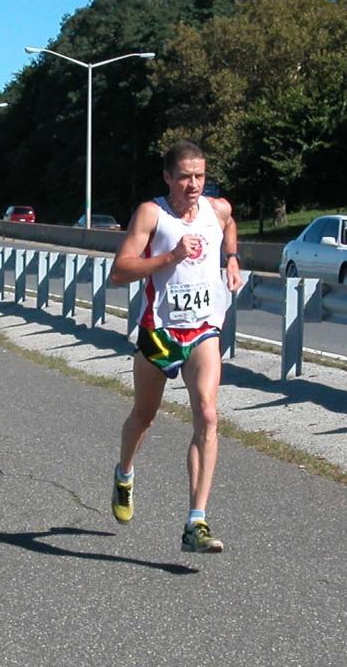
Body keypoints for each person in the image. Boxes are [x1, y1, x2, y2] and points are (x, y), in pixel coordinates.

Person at [109, 139, 243, 553]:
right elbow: (119, 272)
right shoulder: (153, 214)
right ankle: (125, 473)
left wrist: (232, 257)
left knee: (207, 413)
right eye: (184, 176)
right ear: (167, 177)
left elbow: (230, 222)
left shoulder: (215, 209)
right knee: (144, 416)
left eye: (199, 176)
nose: (193, 184)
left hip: (203, 329)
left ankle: (195, 522)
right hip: (161, 332)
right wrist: (168, 257)